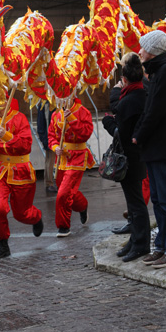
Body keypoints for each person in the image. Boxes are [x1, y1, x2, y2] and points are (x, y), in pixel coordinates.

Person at [0, 96, 44, 259]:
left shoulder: (19, 118)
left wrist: (6, 136)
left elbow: (26, 145)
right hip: (0, 171)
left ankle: (36, 218)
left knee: (22, 213)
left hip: (21, 170)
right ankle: (2, 243)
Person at [102, 53, 150, 262]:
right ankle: (136, 240)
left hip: (130, 159)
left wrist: (108, 123)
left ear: (125, 78)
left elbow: (122, 132)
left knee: (136, 203)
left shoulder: (130, 100)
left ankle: (141, 243)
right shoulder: (142, 94)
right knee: (134, 203)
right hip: (137, 157)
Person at [132, 30, 166, 268]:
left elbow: (155, 110)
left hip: (162, 148)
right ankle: (162, 245)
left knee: (165, 200)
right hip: (155, 147)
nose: (139, 51)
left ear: (153, 50)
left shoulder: (165, 72)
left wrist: (139, 135)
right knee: (157, 199)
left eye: (143, 47)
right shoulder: (157, 71)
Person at [48, 97, 95, 237]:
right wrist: (55, 147)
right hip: (61, 158)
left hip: (77, 157)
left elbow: (86, 134)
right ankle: (83, 206)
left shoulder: (83, 111)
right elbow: (51, 135)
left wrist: (73, 119)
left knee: (63, 193)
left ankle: (63, 226)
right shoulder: (55, 113)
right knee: (68, 192)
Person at [36, 101, 57, 194]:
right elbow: (41, 124)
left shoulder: (60, 103)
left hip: (60, 137)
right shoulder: (44, 105)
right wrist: (44, 139)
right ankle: (49, 183)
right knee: (50, 161)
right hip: (50, 138)